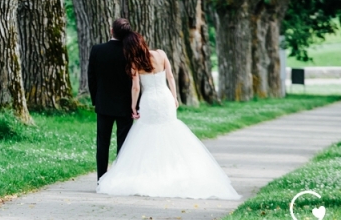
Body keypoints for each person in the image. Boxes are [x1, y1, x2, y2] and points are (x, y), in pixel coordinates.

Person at [96, 29, 240, 200]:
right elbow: (171, 77)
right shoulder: (161, 54)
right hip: (165, 99)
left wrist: (133, 106)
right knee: (171, 131)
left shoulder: (134, 63)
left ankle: (152, 171)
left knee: (148, 135)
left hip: (149, 101)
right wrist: (174, 97)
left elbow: (136, 88)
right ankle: (177, 170)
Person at [88, 18, 135, 180]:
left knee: (103, 143)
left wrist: (96, 100)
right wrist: (136, 105)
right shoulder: (130, 52)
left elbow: (91, 79)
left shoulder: (97, 50)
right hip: (126, 105)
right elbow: (136, 81)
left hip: (104, 104)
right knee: (123, 144)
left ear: (111, 31)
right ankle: (120, 178)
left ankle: (101, 179)